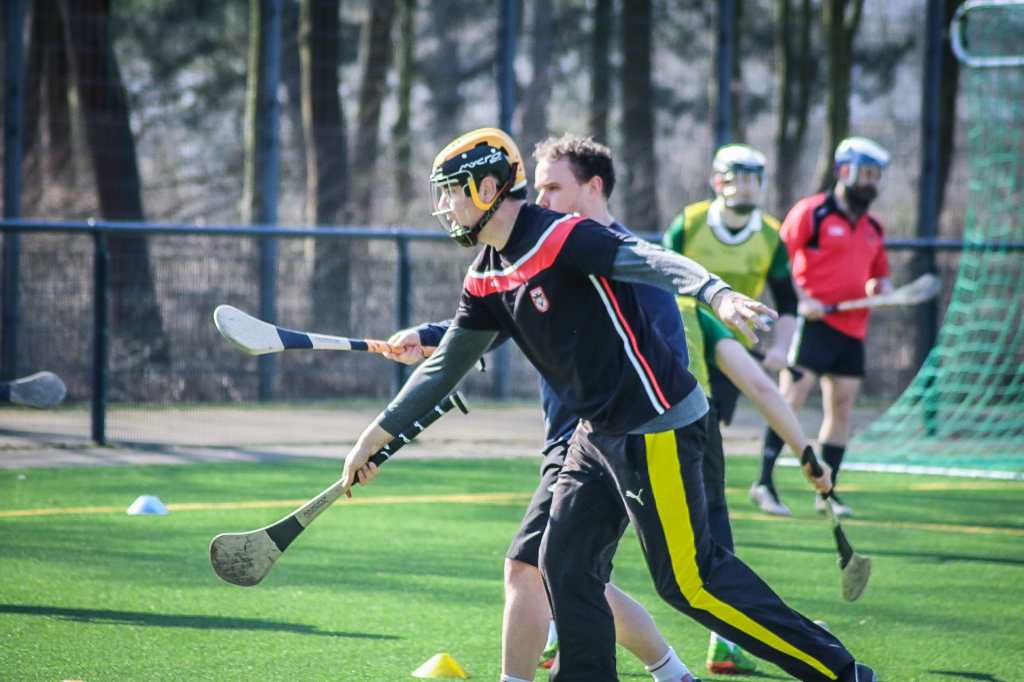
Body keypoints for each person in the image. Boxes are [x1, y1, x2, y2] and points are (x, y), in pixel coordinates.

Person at [341, 127, 876, 682]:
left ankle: (842, 672)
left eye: (453, 190)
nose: (445, 205)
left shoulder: (564, 236)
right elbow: (443, 369)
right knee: (563, 565)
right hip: (595, 435)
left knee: (691, 581)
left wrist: (715, 292)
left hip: (655, 424)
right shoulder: (486, 277)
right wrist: (371, 441)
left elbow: (652, 259)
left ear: (488, 188)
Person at [388, 134, 701, 681]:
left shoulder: (622, 259)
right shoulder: (539, 251)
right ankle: (672, 673)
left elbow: (660, 363)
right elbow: (504, 317)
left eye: (554, 188)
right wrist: (436, 337)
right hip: (572, 442)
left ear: (593, 188)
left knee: (530, 569)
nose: (539, 200)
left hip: (607, 442)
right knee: (572, 577)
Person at [755, 137, 893, 519]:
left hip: (851, 331)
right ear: (844, 171)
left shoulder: (873, 228)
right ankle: (764, 483)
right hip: (812, 326)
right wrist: (801, 300)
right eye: (866, 174)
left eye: (876, 176)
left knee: (842, 405)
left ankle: (827, 493)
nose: (871, 183)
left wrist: (881, 289)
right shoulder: (810, 213)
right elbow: (778, 263)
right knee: (790, 398)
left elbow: (879, 276)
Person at [661, 144, 801, 516]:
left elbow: (788, 302)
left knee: (709, 426)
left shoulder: (770, 236)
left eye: (753, 179)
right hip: (683, 341)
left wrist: (782, 348)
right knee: (683, 422)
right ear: (717, 181)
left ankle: (701, 508)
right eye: (737, 178)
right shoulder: (689, 222)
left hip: (731, 351)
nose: (745, 187)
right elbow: (659, 279)